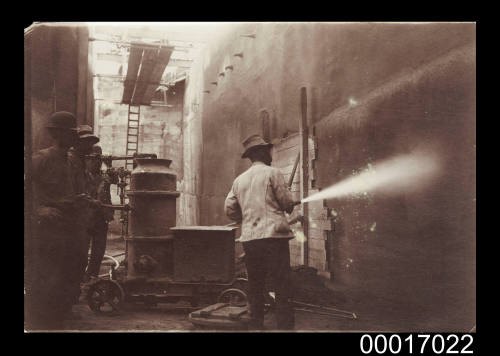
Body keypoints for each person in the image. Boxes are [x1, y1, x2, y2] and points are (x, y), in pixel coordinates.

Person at [224, 134, 300, 330]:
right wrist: (290, 203)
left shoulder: (239, 180)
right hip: (274, 237)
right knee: (282, 283)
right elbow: (285, 202)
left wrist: (246, 219)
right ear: (260, 153)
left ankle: (256, 324)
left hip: (251, 239)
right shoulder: (273, 173)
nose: (270, 153)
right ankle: (284, 327)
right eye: (267, 150)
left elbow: (229, 210)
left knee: (255, 283)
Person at [30, 111, 83, 329]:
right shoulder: (40, 159)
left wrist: (81, 200)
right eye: (70, 134)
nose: (74, 138)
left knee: (69, 270)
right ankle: (42, 320)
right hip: (49, 226)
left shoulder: (71, 160)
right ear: (58, 134)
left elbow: (69, 190)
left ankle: (59, 315)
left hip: (69, 223)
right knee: (48, 273)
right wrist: (38, 209)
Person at [68, 126, 101, 300]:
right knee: (74, 257)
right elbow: (71, 191)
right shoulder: (70, 161)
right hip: (71, 217)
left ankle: (73, 294)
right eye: (87, 143)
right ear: (78, 143)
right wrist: (90, 201)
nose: (90, 147)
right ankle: (69, 297)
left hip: (81, 217)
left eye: (91, 143)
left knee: (80, 257)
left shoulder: (81, 162)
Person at [84, 144, 114, 281]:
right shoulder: (83, 176)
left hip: (101, 218)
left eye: (99, 159)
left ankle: (92, 275)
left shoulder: (104, 176)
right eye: (93, 159)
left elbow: (114, 179)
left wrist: (110, 165)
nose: (96, 163)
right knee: (83, 249)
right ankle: (81, 277)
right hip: (86, 218)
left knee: (99, 250)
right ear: (87, 160)